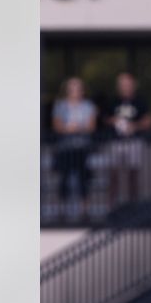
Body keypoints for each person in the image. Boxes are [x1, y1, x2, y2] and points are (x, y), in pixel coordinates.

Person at [103, 71, 151, 205]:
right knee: (113, 175)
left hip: (134, 142)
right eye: (122, 84)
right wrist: (114, 121)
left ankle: (133, 206)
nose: (125, 86)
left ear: (133, 85)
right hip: (116, 142)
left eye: (127, 84)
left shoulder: (140, 101)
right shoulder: (112, 101)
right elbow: (104, 119)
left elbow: (148, 120)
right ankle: (112, 206)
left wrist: (134, 126)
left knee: (133, 175)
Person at [51, 77, 97, 212]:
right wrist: (68, 129)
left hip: (82, 147)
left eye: (78, 88)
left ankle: (84, 210)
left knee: (84, 178)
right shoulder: (60, 106)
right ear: (67, 91)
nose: (75, 91)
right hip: (65, 148)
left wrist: (77, 128)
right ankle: (62, 210)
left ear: (82, 91)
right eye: (72, 89)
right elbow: (57, 126)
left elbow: (91, 126)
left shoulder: (88, 106)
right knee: (64, 177)